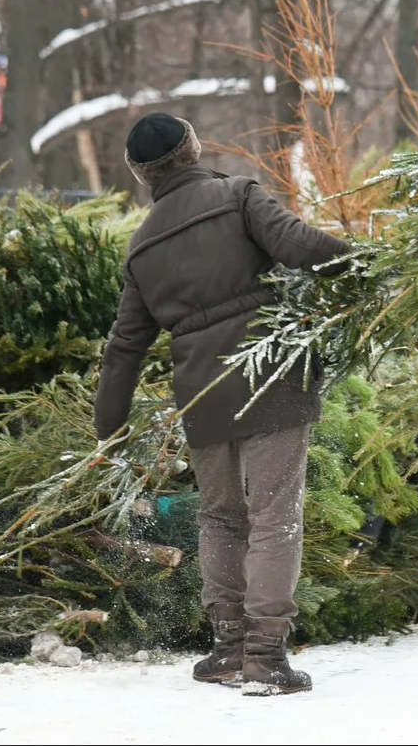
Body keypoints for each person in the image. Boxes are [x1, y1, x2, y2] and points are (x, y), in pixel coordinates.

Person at [93, 112, 350, 696]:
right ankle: (265, 656)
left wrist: (107, 428)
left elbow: (123, 349)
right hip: (268, 375)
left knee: (222, 517)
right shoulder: (237, 197)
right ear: (193, 147)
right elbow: (304, 247)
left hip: (202, 396)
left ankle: (228, 649)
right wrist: (369, 268)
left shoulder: (142, 247)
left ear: (140, 173)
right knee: (274, 515)